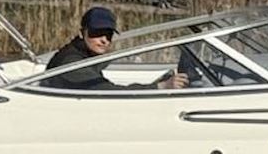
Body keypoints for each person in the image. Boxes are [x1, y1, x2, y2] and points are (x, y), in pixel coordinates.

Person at [45, 6, 188, 91]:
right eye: (97, 33)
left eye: (108, 34)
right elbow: (110, 92)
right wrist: (161, 87)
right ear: (82, 34)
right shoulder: (72, 63)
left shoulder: (87, 56)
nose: (104, 40)